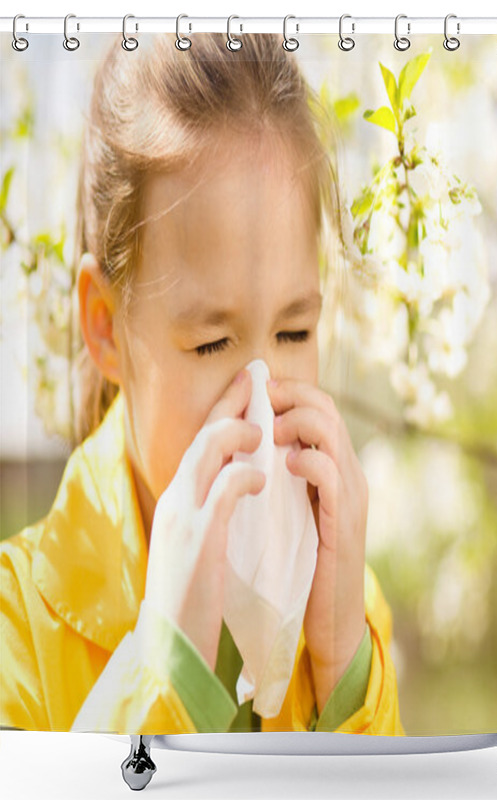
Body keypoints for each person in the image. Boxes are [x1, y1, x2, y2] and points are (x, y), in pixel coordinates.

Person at [0, 33, 404, 736]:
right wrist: (167, 670)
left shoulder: (346, 610)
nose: (259, 401)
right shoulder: (17, 633)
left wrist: (344, 669)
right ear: (105, 327)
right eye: (211, 342)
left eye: (294, 333)